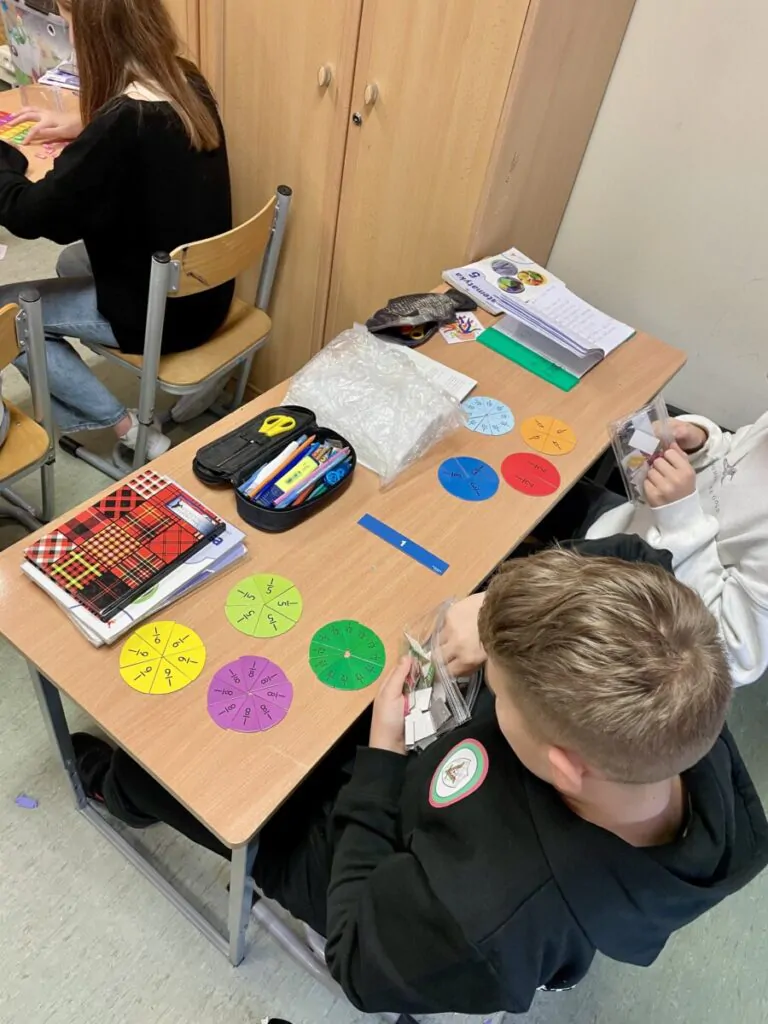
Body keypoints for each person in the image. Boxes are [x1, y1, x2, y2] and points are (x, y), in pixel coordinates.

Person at [70, 546, 768, 1016]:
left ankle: (120, 788)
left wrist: (381, 758)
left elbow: (355, 960)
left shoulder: (482, 922)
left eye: (500, 689)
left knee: (203, 774)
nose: (487, 677)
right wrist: (490, 611)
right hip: (436, 792)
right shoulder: (679, 701)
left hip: (375, 867)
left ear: (564, 766)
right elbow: (638, 560)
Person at [0, 0, 234, 458]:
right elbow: (130, 141)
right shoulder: (185, 81)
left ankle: (133, 430)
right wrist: (82, 124)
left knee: (7, 313)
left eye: (68, 23)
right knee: (72, 261)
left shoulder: (122, 125)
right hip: (207, 291)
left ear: (95, 34)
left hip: (168, 316)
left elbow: (31, 215)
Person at [534, 412, 768, 687]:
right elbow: (732, 456)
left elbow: (729, 659)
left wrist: (681, 517)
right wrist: (702, 443)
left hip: (617, 605)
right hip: (620, 529)